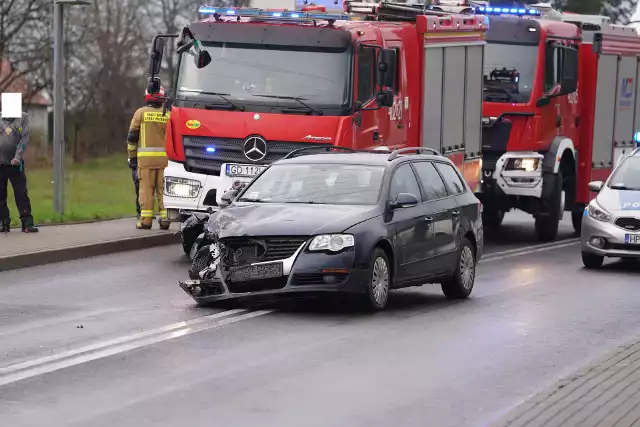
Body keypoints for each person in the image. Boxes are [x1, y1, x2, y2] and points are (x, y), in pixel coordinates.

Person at [127, 87, 170, 230]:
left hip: (146, 161)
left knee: (146, 190)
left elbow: (132, 138)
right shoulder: (169, 114)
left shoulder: (140, 113)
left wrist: (132, 158)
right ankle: (165, 219)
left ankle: (146, 221)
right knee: (163, 190)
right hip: (166, 161)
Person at [0, 108, 38, 233]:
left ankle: (26, 222)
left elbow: (24, 139)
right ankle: (3, 222)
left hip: (17, 163)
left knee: (21, 193)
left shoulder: (23, 118)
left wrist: (17, 157)